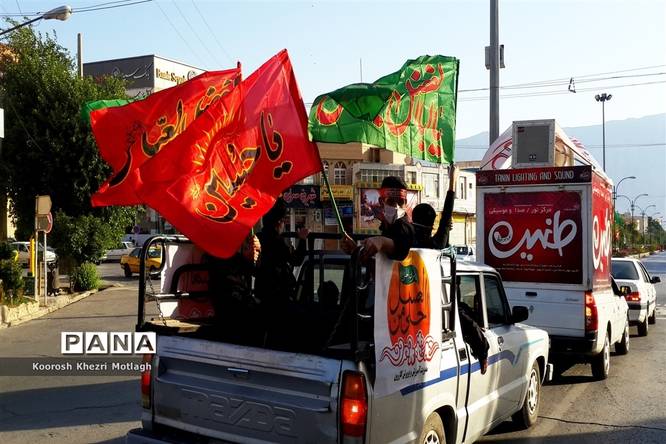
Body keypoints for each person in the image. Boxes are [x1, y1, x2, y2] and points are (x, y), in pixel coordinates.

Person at [343, 176, 415, 262]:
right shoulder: (386, 226)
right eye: (391, 202)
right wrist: (355, 250)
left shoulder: (405, 226)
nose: (396, 207)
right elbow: (380, 261)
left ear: (405, 202)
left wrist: (383, 242)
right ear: (381, 202)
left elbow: (402, 250)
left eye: (400, 202)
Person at [254, 199, 309, 304]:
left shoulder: (258, 238)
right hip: (276, 293)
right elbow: (296, 260)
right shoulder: (276, 241)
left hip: (261, 290)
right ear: (279, 222)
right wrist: (302, 239)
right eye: (284, 220)